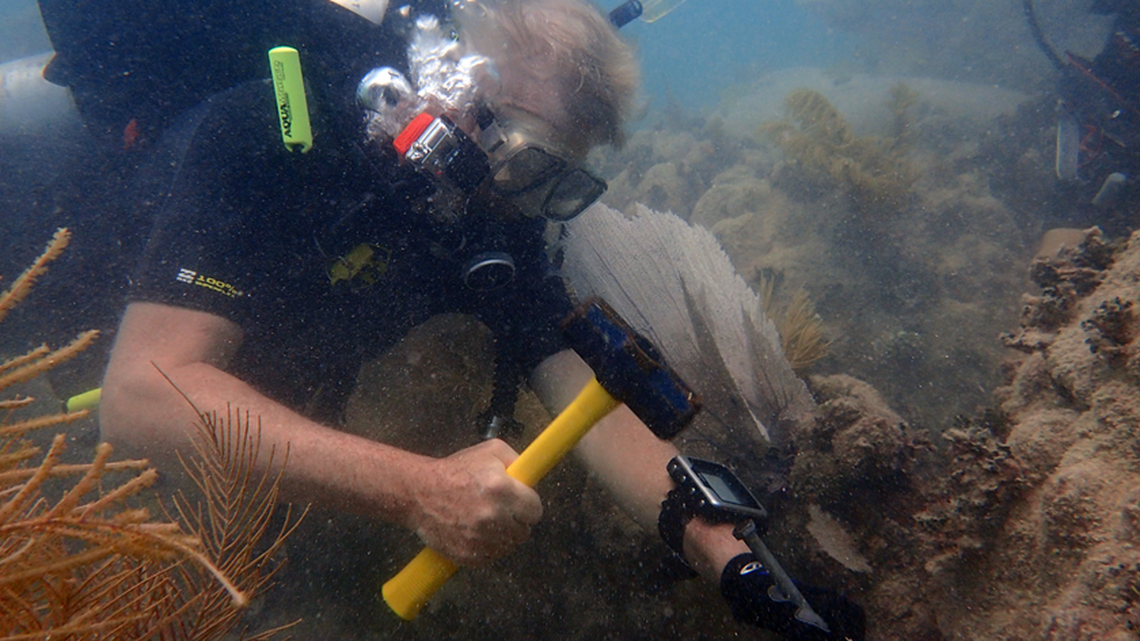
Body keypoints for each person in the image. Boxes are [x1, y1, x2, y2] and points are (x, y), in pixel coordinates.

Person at [94, 0, 863, 637]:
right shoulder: (266, 130)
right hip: (79, 263)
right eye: (526, 165)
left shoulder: (485, 219)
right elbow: (137, 397)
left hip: (255, 407)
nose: (520, 204)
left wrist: (738, 565)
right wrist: (417, 488)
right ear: (459, 101)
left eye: (555, 182)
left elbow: (589, 404)